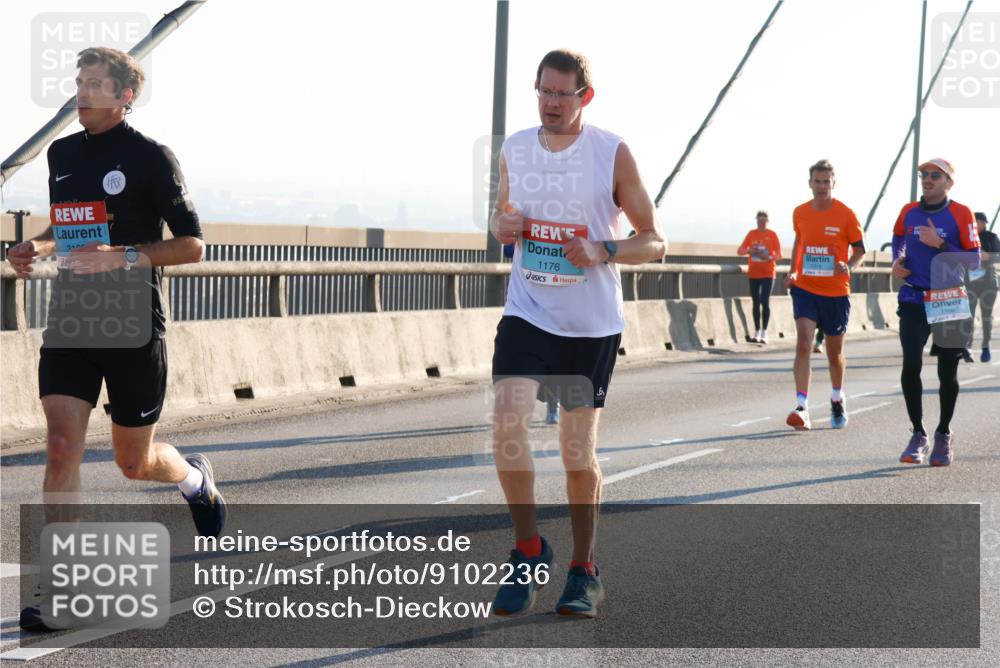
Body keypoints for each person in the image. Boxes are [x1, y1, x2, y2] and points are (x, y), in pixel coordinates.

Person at [5, 48, 226, 631]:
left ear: (125, 96)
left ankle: (195, 479)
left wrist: (124, 257)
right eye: (79, 83)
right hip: (73, 318)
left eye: (96, 84)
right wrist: (39, 246)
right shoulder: (63, 152)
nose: (83, 93)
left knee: (135, 462)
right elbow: (72, 221)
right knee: (60, 446)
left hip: (133, 325)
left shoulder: (152, 158)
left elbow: (192, 245)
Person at [489, 49, 665, 618]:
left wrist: (603, 249)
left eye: (562, 94)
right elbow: (502, 223)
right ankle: (527, 549)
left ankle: (584, 568)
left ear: (584, 97)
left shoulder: (610, 152)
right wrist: (503, 226)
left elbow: (653, 240)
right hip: (528, 310)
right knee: (507, 426)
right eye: (543, 91)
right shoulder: (515, 148)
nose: (550, 103)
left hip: (588, 327)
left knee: (574, 454)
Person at [893, 159, 981, 466]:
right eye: (923, 175)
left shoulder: (961, 213)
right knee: (911, 364)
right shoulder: (908, 211)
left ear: (948, 183)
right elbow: (898, 238)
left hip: (948, 299)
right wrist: (898, 260)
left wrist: (941, 243)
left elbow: (973, 261)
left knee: (947, 372)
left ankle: (943, 433)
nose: (927, 179)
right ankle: (918, 434)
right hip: (914, 297)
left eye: (934, 175)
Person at [783, 159, 866, 431]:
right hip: (806, 288)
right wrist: (793, 271)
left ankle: (837, 396)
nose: (821, 186)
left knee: (834, 354)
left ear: (833, 183)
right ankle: (801, 406)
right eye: (817, 181)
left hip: (835, 292)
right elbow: (799, 241)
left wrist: (849, 267)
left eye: (826, 181)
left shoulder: (846, 214)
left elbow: (860, 250)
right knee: (804, 344)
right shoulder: (800, 212)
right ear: (810, 183)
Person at [737, 210, 782, 343]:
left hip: (768, 273)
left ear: (767, 222)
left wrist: (768, 257)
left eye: (763, 221)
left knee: (765, 300)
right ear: (756, 221)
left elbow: (779, 255)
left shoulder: (772, 235)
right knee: (756, 302)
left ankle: (765, 332)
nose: (761, 223)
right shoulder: (751, 234)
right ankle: (757, 332)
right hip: (754, 273)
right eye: (759, 221)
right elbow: (740, 251)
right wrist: (749, 250)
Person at [967, 211, 998, 362]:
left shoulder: (991, 237)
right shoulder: (968, 238)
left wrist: (989, 256)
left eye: (977, 222)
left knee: (986, 317)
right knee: (968, 316)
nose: (974, 225)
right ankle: (968, 347)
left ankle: (985, 346)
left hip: (989, 284)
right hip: (971, 283)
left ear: (984, 223)